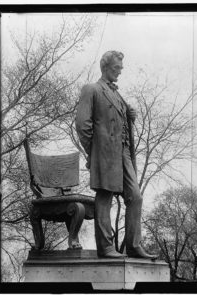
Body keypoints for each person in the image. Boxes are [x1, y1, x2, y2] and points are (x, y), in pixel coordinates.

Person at [76, 51, 157, 259]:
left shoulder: (117, 94)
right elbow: (83, 125)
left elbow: (120, 121)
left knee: (135, 197)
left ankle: (133, 245)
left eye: (120, 69)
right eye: (116, 69)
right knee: (105, 195)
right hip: (104, 152)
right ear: (105, 68)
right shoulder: (92, 89)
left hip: (123, 152)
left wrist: (130, 115)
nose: (119, 72)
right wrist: (92, 152)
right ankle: (106, 248)